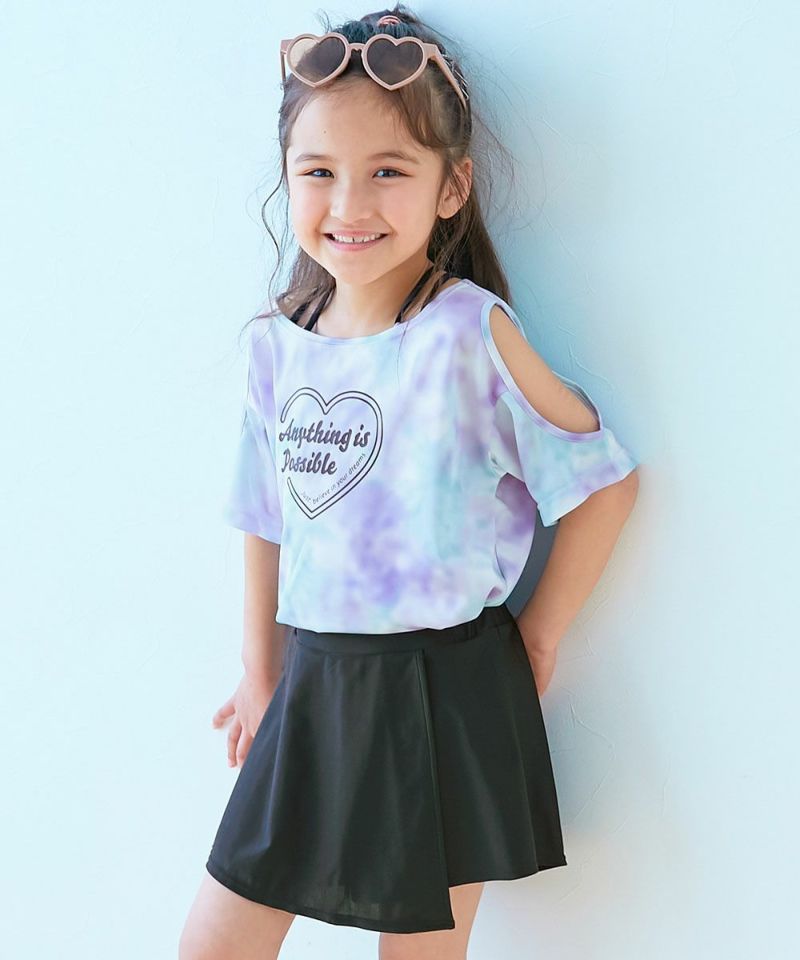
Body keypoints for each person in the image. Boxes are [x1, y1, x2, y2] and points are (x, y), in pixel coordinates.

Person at [179, 5, 640, 959]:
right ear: (288, 178)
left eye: (388, 171)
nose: (350, 204)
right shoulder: (277, 346)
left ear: (450, 186)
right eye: (319, 172)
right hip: (315, 682)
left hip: (447, 690)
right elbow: (262, 515)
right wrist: (261, 671)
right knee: (216, 941)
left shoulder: (467, 331)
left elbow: (601, 482)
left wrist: (539, 635)